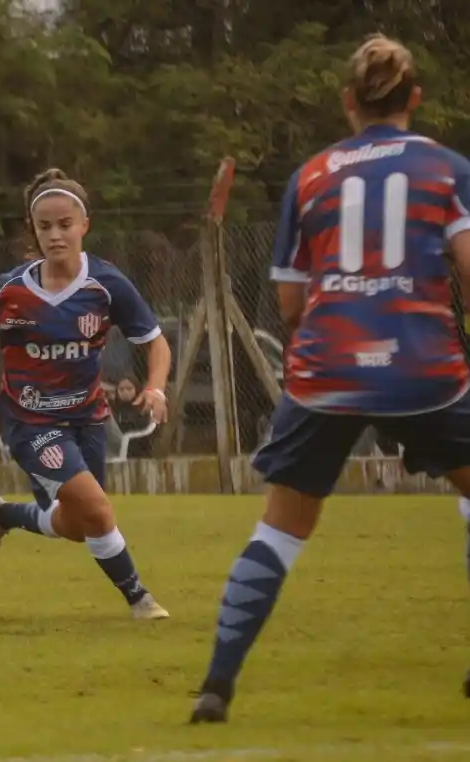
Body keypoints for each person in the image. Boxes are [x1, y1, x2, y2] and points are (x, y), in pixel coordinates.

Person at [190, 34, 470, 723]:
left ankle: (216, 687)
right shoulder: (448, 169)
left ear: (348, 102)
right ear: (415, 99)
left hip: (327, 368)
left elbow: (290, 304)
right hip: (424, 367)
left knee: (281, 529)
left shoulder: (311, 176)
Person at [0, 168, 172, 621]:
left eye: (65, 224)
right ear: (33, 229)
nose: (55, 235)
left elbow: (156, 343)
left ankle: (3, 515)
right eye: (45, 226)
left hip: (88, 418)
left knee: (78, 524)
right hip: (31, 422)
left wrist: (155, 387)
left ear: (84, 224)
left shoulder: (106, 285)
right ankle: (140, 599)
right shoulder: (12, 289)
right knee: (98, 510)